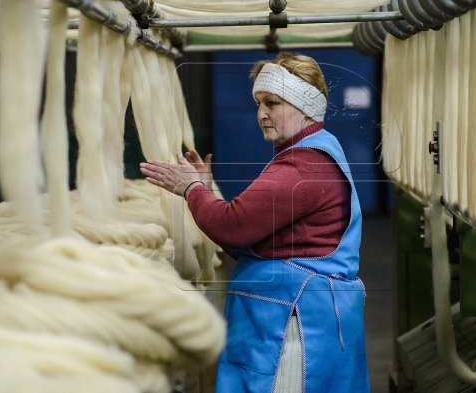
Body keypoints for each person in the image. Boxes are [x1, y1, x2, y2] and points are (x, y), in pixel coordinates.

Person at [139, 52, 369, 393]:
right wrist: (202, 191)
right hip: (297, 312)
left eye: (273, 103)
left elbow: (233, 226)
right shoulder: (310, 152)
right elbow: (257, 238)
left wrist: (190, 189)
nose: (262, 114)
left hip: (296, 325)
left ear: (304, 105)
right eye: (259, 103)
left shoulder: (304, 167)